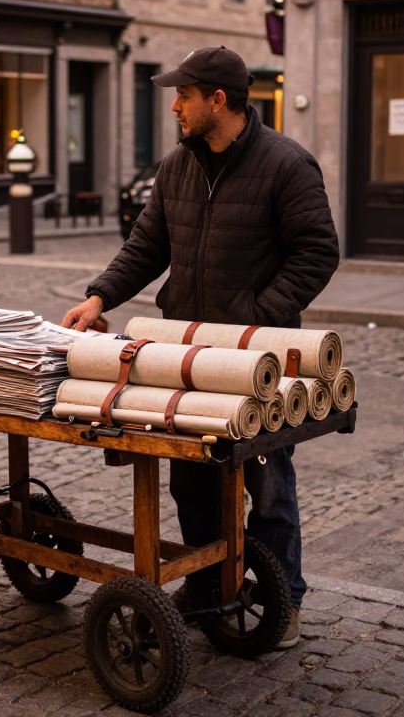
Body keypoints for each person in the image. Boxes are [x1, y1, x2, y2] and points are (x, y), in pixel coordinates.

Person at [62, 46, 340, 648]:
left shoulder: (288, 165)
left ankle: (281, 600)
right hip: (183, 355)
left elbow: (318, 252)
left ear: (218, 99)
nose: (175, 106)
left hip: (255, 361)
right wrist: (99, 297)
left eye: (183, 95)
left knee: (267, 485)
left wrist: (257, 322)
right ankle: (212, 583)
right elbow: (147, 246)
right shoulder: (177, 166)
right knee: (191, 477)